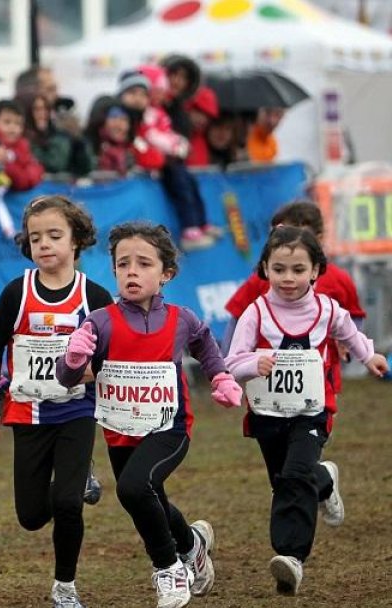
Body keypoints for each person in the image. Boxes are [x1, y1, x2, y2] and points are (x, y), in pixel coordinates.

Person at [55, 222, 241, 608]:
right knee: (147, 495)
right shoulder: (100, 321)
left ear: (166, 274)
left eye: (143, 263)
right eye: (123, 264)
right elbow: (69, 377)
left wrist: (220, 376)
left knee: (134, 490)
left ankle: (169, 568)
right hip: (121, 430)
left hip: (168, 426)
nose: (132, 272)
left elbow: (205, 343)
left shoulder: (181, 318)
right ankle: (191, 544)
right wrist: (72, 359)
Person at [224, 226, 388, 596]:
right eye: (279, 269)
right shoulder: (257, 313)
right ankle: (324, 480)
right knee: (283, 480)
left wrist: (369, 356)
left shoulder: (327, 309)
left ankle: (291, 557)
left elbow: (350, 335)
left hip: (312, 411)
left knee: (295, 475)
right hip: (267, 414)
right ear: (265, 268)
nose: (288, 278)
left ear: (315, 270)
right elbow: (232, 362)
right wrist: (254, 363)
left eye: (298, 269)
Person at [0, 196, 115, 608]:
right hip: (28, 412)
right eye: (36, 237)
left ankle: (65, 586)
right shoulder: (17, 292)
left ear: (77, 240)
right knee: (32, 515)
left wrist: (96, 370)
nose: (45, 244)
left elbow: (114, 352)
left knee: (68, 505)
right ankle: (78, 482)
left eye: (55, 235)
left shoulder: (93, 296)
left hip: (75, 411)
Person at [223, 201, 365, 397]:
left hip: (322, 381)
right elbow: (237, 318)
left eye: (299, 235)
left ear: (318, 239)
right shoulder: (262, 280)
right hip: (269, 388)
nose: (289, 242)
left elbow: (354, 317)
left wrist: (350, 345)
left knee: (315, 424)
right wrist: (226, 369)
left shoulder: (340, 280)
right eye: (279, 236)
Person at [118, 68, 215, 251]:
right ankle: (190, 228)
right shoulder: (140, 116)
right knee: (180, 183)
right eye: (133, 93)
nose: (139, 98)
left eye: (143, 94)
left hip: (164, 160)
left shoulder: (158, 113)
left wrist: (179, 144)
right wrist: (172, 147)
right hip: (158, 165)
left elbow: (165, 132)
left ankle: (201, 222)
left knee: (190, 182)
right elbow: (150, 137)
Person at [21, 93, 91, 177]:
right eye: (37, 109)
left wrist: (78, 143)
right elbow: (54, 164)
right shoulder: (22, 138)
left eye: (46, 109)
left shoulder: (59, 136)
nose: (42, 114)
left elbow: (86, 167)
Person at [91, 104, 164, 176]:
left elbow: (156, 159)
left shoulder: (136, 142)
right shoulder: (95, 142)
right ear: (104, 122)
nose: (118, 123)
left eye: (123, 119)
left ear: (129, 125)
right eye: (113, 118)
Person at [0, 100, 44, 191]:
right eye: (7, 122)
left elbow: (35, 171)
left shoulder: (24, 147)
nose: (13, 128)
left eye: (18, 124)